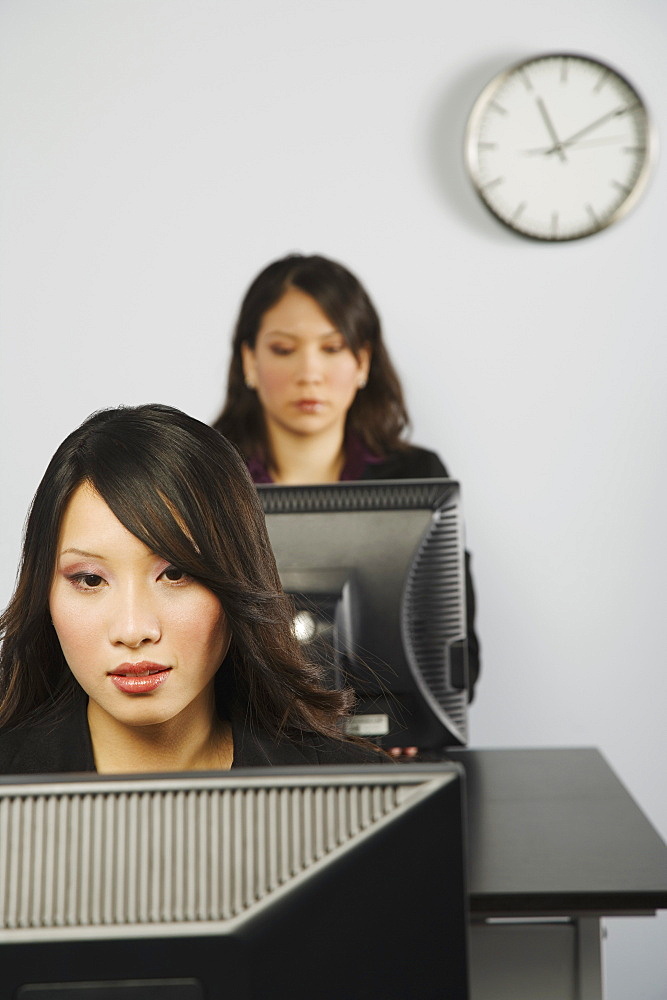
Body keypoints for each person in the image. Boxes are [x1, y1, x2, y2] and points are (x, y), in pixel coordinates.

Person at [0, 404, 385, 775]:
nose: (133, 631)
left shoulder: (363, 798)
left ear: (236, 580)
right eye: (90, 580)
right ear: (44, 595)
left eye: (175, 574)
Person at [212, 253, 480, 711]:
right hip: (242, 742)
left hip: (384, 742)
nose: (309, 373)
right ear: (249, 362)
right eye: (283, 349)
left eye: (332, 348)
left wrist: (405, 724)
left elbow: (454, 652)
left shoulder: (415, 479)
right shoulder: (205, 479)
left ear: (362, 363)